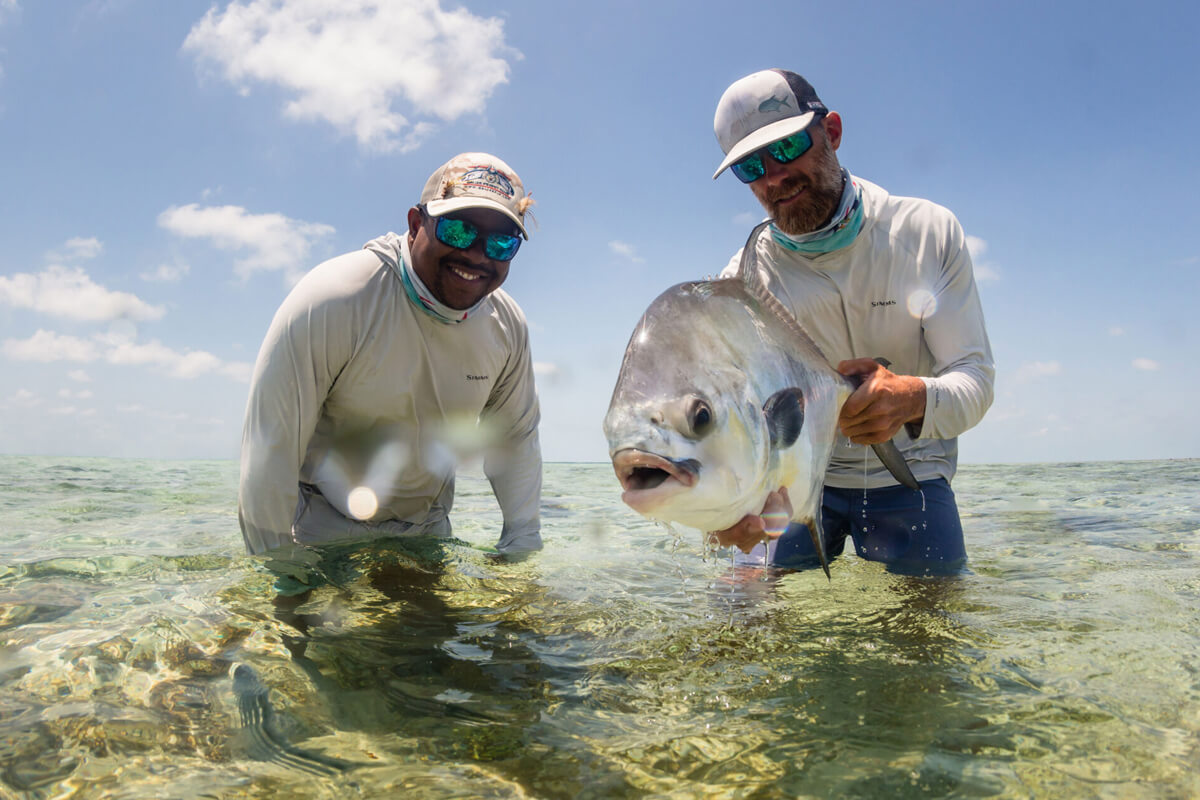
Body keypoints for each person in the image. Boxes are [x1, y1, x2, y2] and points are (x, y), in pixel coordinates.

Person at [708, 70, 994, 574]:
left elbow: (975, 380)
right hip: (795, 479)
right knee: (740, 605)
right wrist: (720, 496)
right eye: (750, 166)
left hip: (913, 471)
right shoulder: (743, 281)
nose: (772, 177)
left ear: (832, 132)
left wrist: (911, 398)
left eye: (787, 146)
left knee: (935, 616)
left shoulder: (927, 231)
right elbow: (728, 409)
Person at [237, 152, 543, 590]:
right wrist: (282, 575)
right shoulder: (337, 296)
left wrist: (519, 554)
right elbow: (272, 449)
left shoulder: (507, 326)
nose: (476, 255)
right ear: (416, 224)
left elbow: (514, 439)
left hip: (427, 533)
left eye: (501, 244)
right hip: (319, 529)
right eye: (458, 230)